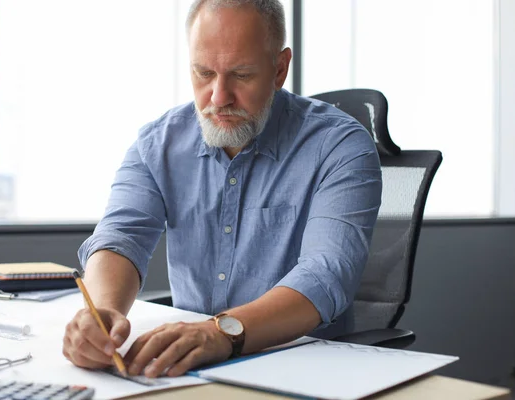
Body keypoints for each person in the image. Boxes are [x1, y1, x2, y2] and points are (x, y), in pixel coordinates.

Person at [63, 0, 382, 379]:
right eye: (203, 73)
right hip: (188, 368)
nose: (218, 98)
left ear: (279, 69)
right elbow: (121, 236)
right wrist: (102, 316)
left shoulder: (340, 146)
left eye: (242, 75)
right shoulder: (157, 145)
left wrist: (221, 332)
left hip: (305, 366)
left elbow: (327, 273)